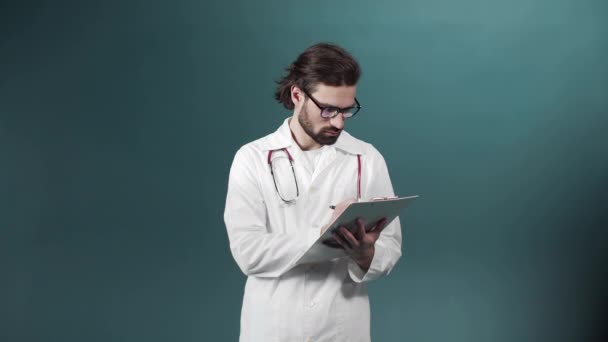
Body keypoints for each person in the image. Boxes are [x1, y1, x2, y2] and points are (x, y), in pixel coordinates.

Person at [224, 42, 402, 342]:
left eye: (347, 110)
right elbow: (248, 251)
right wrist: (322, 237)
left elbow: (391, 247)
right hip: (273, 328)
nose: (338, 122)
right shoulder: (252, 158)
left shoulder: (367, 159)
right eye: (329, 109)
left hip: (342, 328)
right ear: (297, 95)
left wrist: (366, 254)